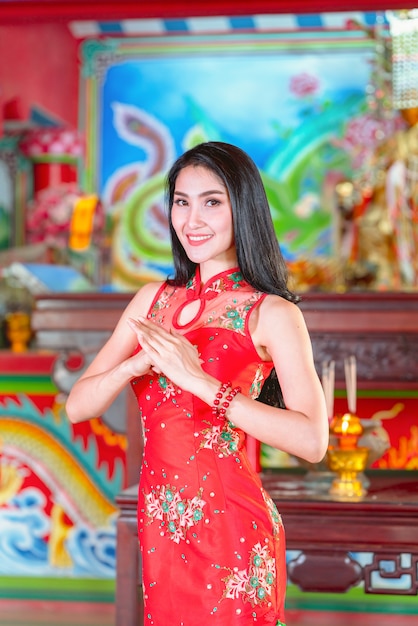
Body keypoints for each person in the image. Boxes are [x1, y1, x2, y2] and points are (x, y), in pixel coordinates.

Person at [66, 141, 329, 626]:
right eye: (181, 202)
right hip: (162, 525)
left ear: (242, 207)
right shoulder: (152, 300)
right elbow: (77, 406)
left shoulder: (271, 313)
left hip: (232, 527)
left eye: (212, 201)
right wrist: (130, 367)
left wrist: (201, 382)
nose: (192, 219)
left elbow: (312, 441)